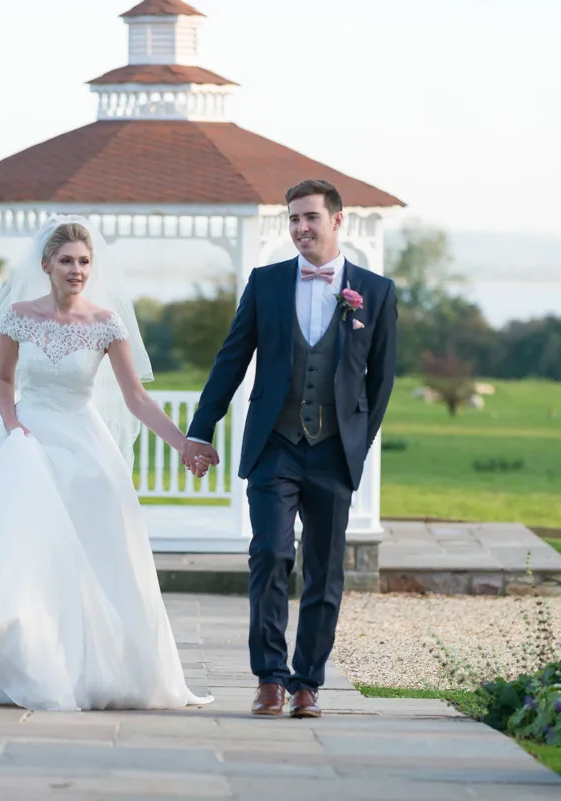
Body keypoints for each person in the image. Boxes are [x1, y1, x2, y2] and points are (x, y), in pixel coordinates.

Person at [0, 216, 212, 711]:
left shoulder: (105, 324)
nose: (76, 270)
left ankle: (88, 668)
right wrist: (14, 427)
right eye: (67, 261)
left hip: (85, 449)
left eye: (83, 262)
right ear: (46, 265)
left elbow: (136, 398)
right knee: (14, 554)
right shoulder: (18, 315)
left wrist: (183, 443)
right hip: (26, 444)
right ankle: (14, 656)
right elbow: (4, 382)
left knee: (94, 558)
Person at [183, 179, 397, 718]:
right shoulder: (266, 283)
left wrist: (355, 444)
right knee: (270, 554)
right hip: (274, 445)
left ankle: (308, 684)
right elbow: (230, 361)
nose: (301, 228)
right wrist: (201, 429)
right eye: (293, 219)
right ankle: (270, 678)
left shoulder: (375, 292)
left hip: (333, 452)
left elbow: (381, 383)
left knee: (324, 570)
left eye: (310, 218)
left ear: (337, 220)